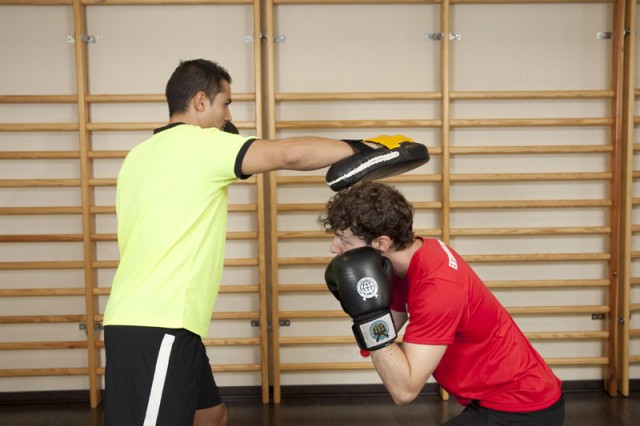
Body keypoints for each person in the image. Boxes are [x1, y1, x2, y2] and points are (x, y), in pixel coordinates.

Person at [102, 59, 376, 426]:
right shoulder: (200, 144)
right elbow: (289, 154)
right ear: (200, 102)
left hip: (152, 318)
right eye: (225, 103)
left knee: (211, 415)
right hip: (159, 323)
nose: (228, 113)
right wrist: (362, 147)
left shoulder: (139, 155)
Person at [321, 181, 565, 426]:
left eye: (344, 240)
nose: (334, 248)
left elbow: (404, 390)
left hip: (522, 408)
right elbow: (391, 324)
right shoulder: (413, 256)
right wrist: (365, 309)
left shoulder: (438, 288)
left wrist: (368, 319)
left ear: (381, 244)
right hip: (496, 399)